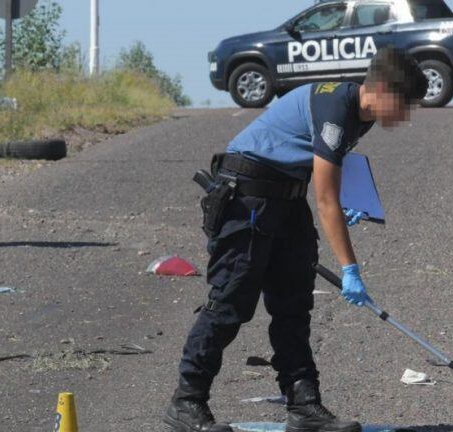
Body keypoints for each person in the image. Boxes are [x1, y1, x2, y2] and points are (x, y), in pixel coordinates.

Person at [163, 47, 427, 432]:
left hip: (285, 200)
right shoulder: (336, 107)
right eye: (405, 104)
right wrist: (350, 268)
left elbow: (331, 171)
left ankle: (304, 406)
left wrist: (352, 203)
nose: (406, 116)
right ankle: (187, 402)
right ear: (383, 90)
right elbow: (324, 200)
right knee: (229, 303)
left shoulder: (360, 115)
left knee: (293, 306)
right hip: (247, 198)